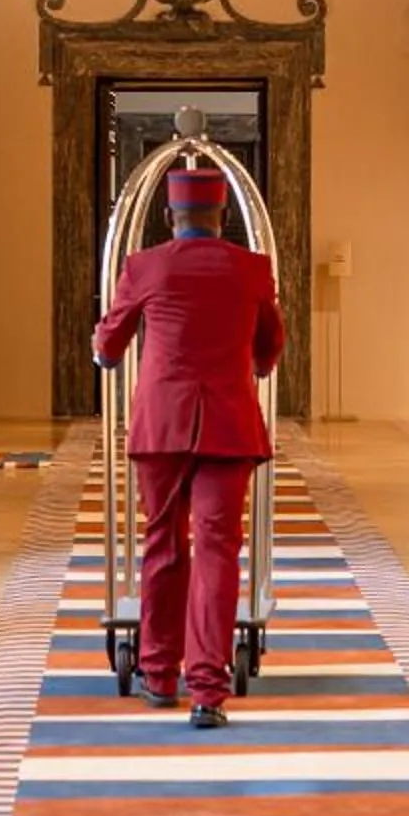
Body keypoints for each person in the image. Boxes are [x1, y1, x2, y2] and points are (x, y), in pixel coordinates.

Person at [93, 164, 283, 729]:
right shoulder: (251, 268)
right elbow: (270, 344)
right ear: (222, 216)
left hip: (162, 425)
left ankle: (157, 673)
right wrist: (252, 365)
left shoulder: (144, 265)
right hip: (228, 423)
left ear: (169, 216)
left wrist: (103, 353)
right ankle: (208, 690)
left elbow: (110, 340)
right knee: (219, 551)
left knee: (162, 543)